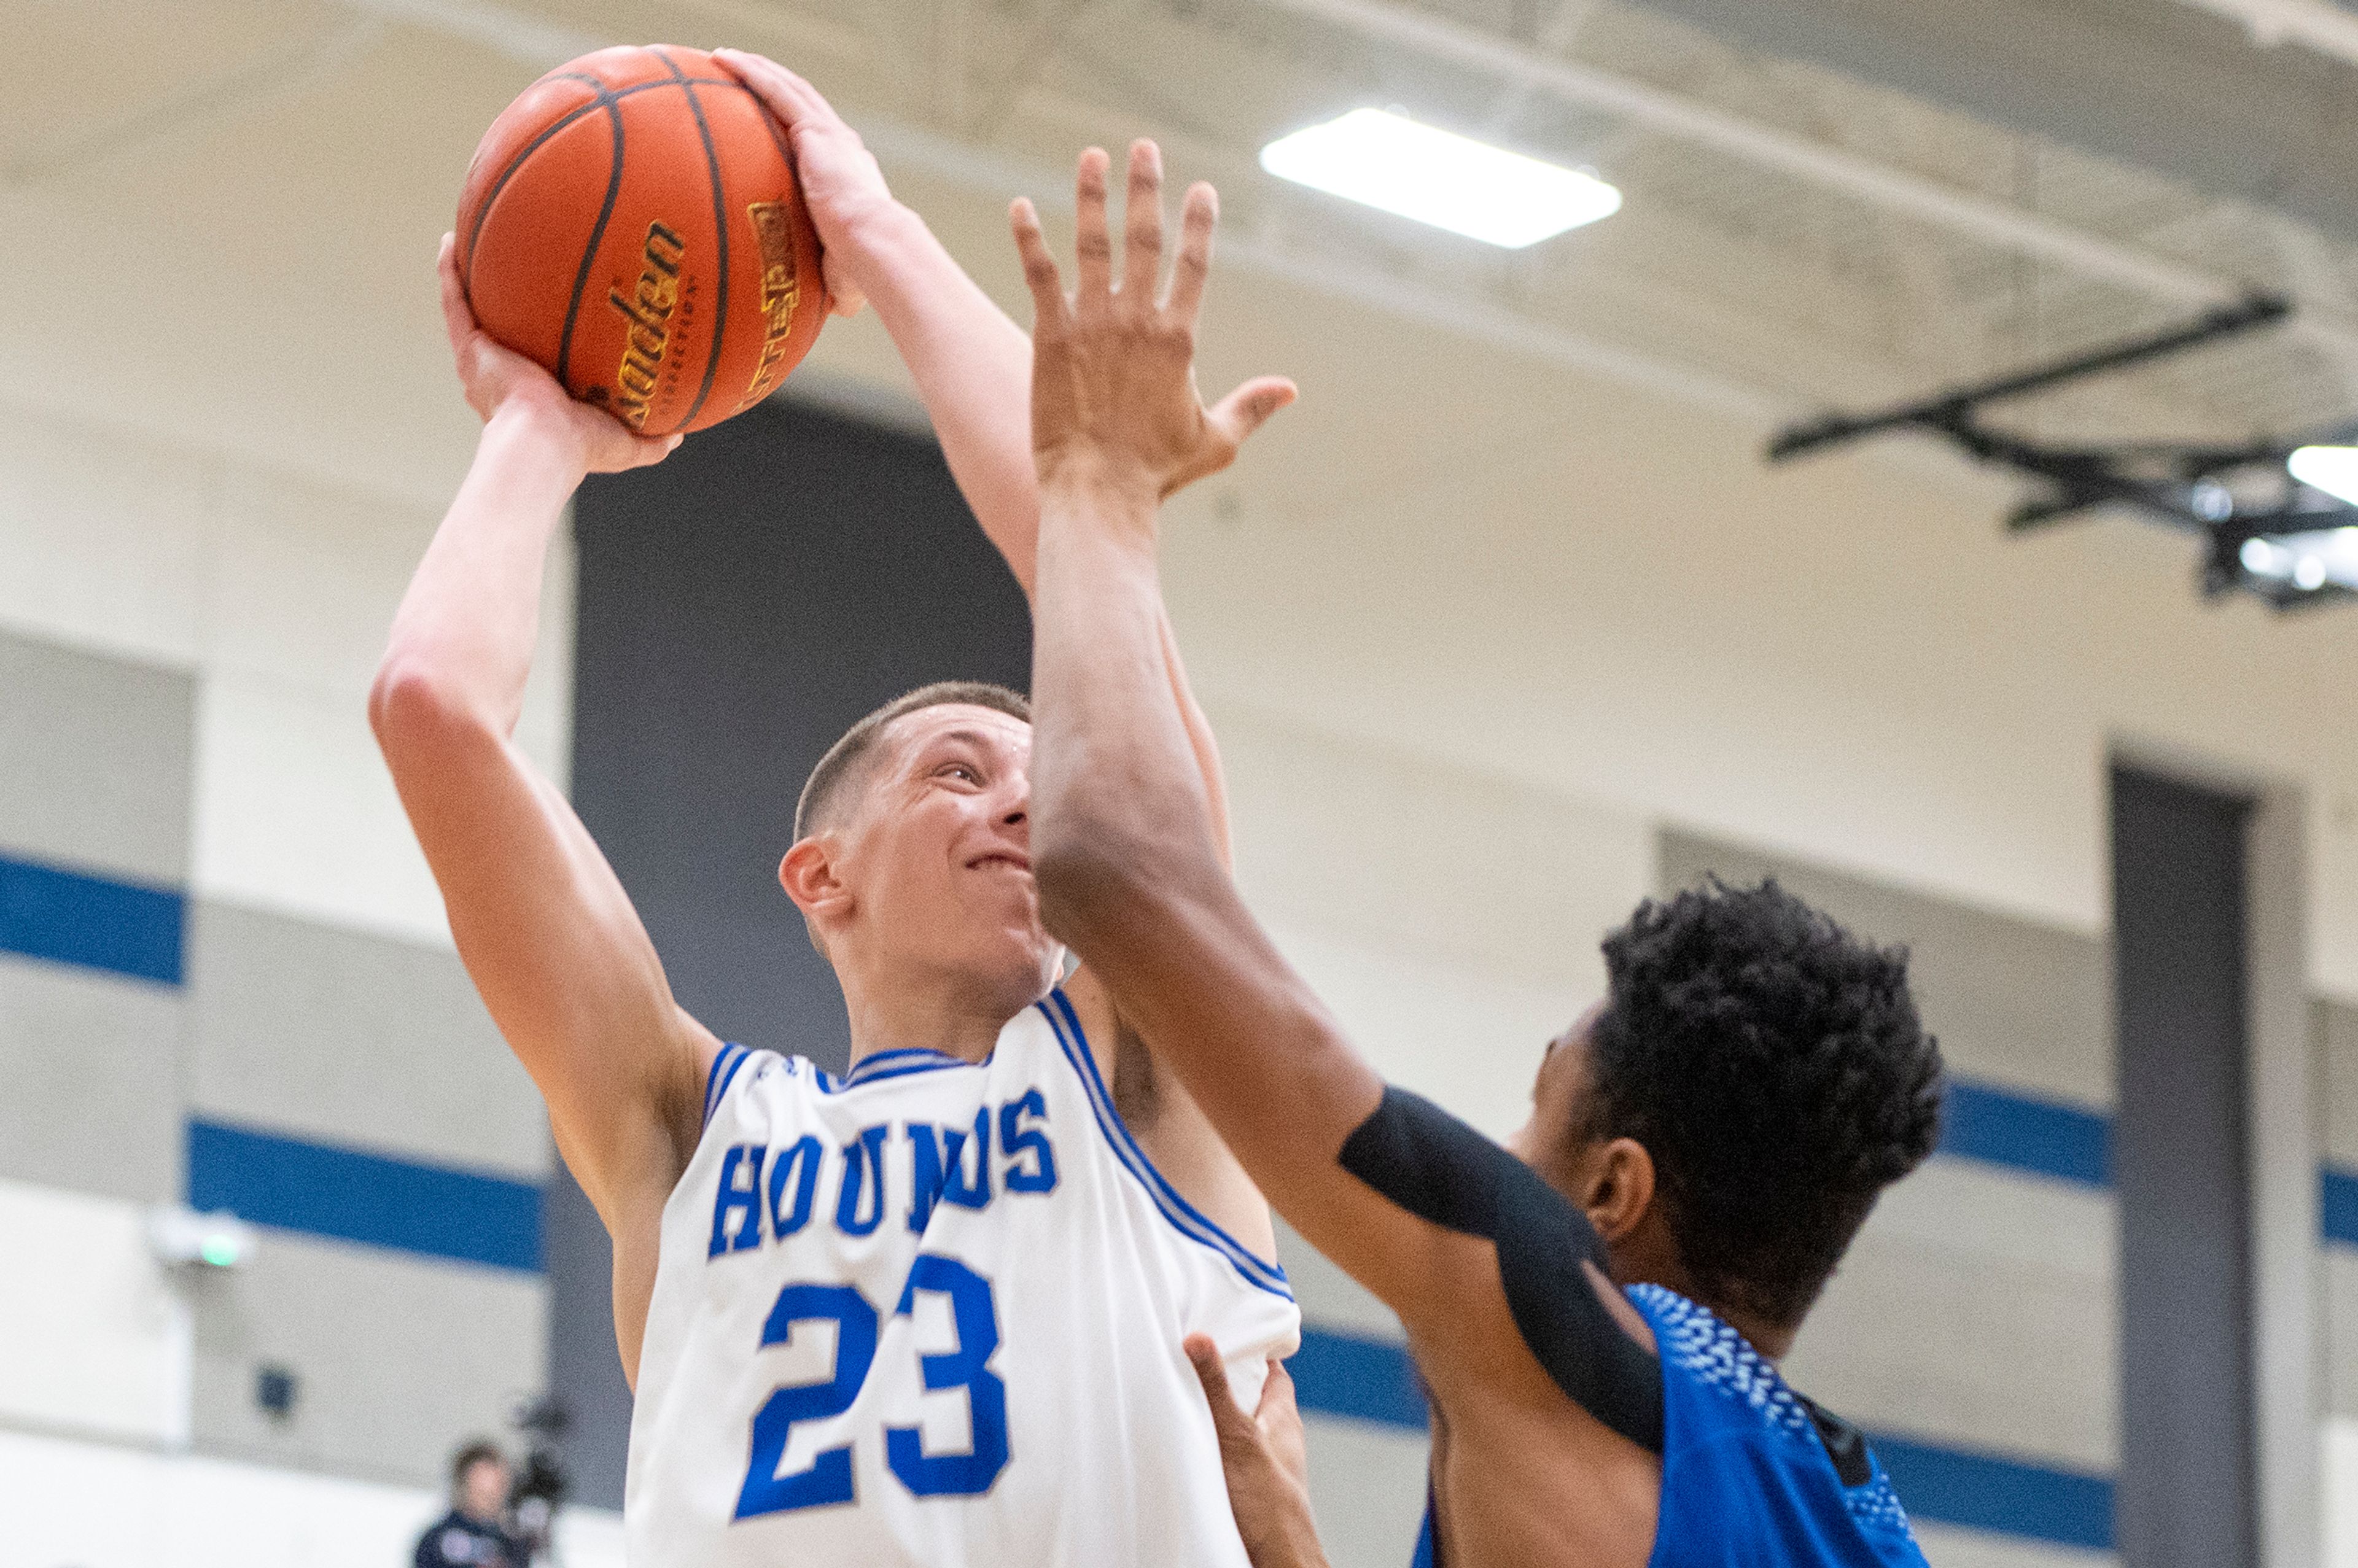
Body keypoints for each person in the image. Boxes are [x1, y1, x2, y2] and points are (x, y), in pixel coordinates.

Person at [371, 54, 1301, 1568]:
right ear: (819, 874)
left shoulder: (1138, 1076)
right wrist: (540, 427)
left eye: (1038, 772)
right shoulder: (687, 1130)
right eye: (955, 770)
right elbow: (430, 706)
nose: (1020, 797)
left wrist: (868, 234)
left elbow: (1080, 519)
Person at [1012, 141, 1949, 1568]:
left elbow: (1105, 865)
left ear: (1607, 1192)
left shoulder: (1555, 1319)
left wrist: (1095, 484)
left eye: (1530, 1117)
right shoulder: (1860, 1519)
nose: (1498, 1155)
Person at [414, 1441, 524, 1568]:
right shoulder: (437, 1542)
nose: (493, 1498)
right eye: (482, 1492)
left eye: (499, 1487)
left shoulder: (512, 1543)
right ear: (464, 1486)